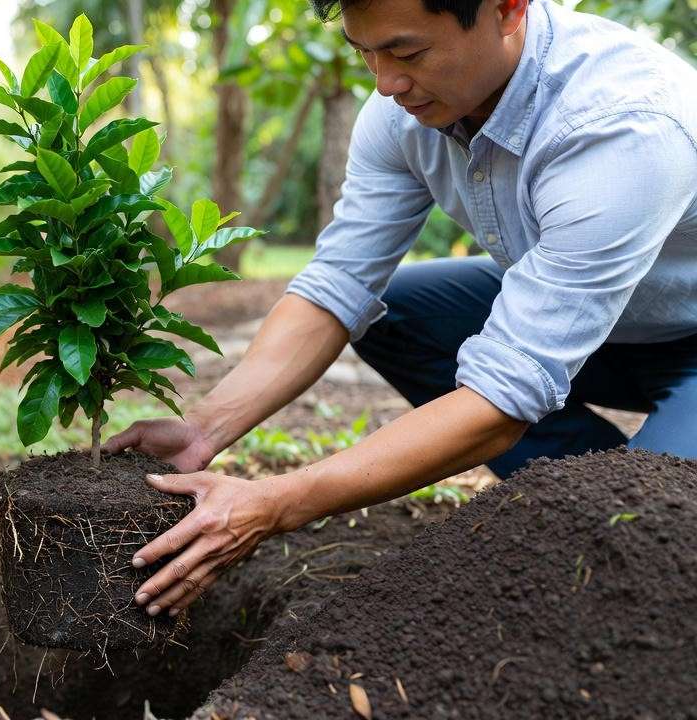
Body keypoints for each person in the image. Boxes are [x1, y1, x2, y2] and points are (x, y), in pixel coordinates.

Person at [107, 0, 697, 619]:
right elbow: (338, 284)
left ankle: (617, 509)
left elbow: (505, 394)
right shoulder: (404, 112)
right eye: (367, 53)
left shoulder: (620, 125)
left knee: (646, 525)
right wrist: (205, 430)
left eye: (408, 53)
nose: (385, 83)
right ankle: (575, 498)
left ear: (507, 11)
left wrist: (277, 501)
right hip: (607, 328)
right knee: (401, 312)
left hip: (679, 332)